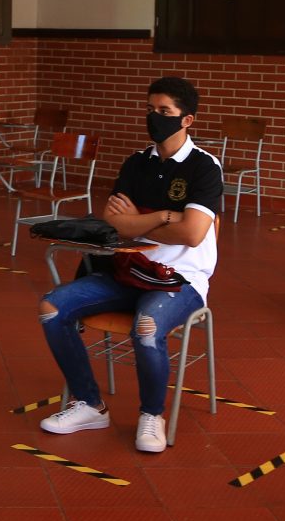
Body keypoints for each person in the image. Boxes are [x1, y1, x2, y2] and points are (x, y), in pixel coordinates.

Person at [36, 77, 222, 454]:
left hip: (180, 280)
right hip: (128, 270)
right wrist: (165, 217)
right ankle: (90, 405)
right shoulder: (137, 163)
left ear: (187, 120)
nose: (155, 117)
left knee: (147, 327)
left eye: (165, 112)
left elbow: (193, 234)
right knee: (52, 308)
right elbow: (115, 222)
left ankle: (152, 415)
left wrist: (143, 219)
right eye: (151, 110)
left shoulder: (204, 167)